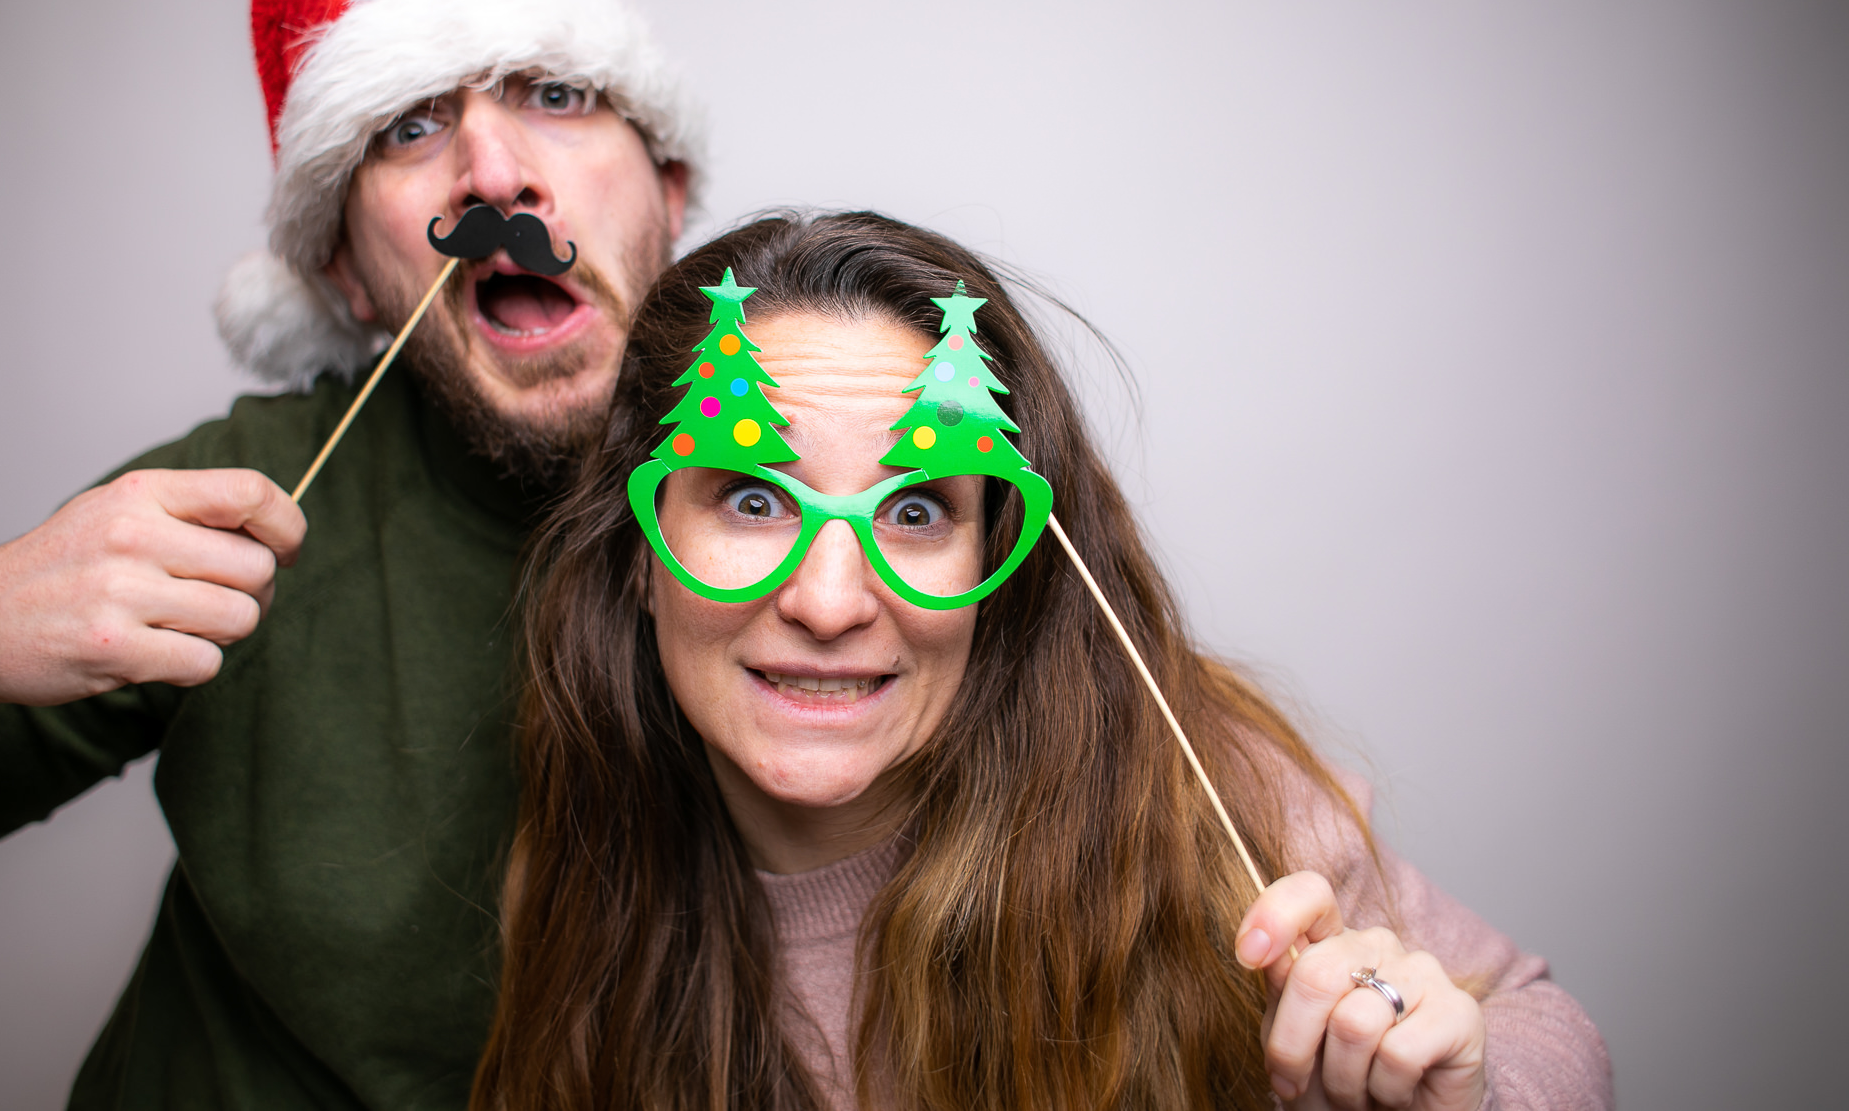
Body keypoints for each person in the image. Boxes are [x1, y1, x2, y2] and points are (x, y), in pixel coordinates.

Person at [0, 0, 700, 1107]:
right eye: (405, 128)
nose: (493, 174)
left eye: (557, 94)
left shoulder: (822, 517)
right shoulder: (232, 508)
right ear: (348, 278)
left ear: (671, 193)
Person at [472, 211, 1612, 1111]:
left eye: (915, 510)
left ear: (1001, 561)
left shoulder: (1201, 809)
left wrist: (1463, 1086)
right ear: (637, 553)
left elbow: (1527, 1015)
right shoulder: (585, 866)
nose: (826, 601)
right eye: (755, 497)